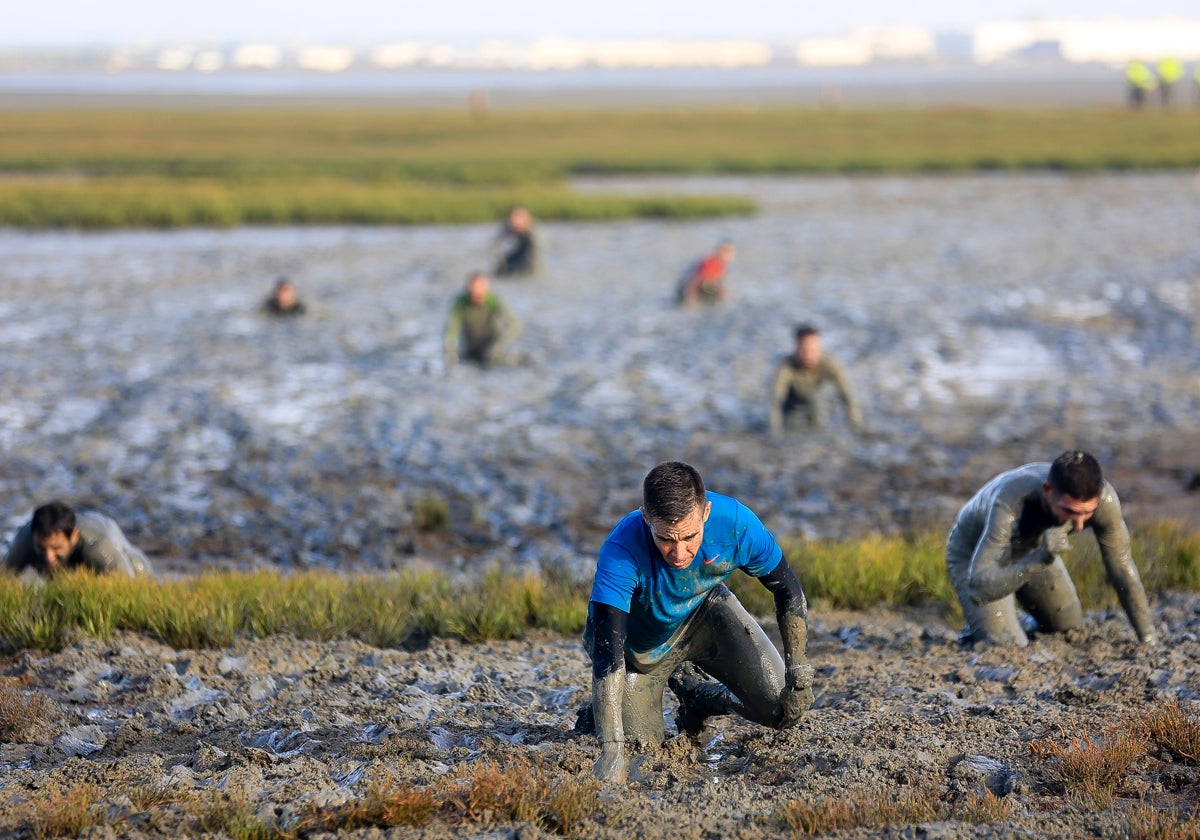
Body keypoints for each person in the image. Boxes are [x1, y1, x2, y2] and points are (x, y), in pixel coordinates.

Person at [585, 461, 814, 784]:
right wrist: (611, 751)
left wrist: (799, 675)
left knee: (782, 710)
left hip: (704, 614)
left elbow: (788, 591)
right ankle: (595, 716)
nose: (679, 553)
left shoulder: (736, 523)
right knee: (639, 755)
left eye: (690, 537)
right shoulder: (620, 550)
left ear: (705, 513)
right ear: (646, 517)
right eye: (665, 539)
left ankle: (701, 697)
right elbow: (609, 658)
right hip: (639, 652)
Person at [946, 451, 1156, 649]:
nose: (1080, 525)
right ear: (1048, 491)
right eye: (1070, 511)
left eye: (1087, 513)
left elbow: (1123, 570)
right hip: (975, 555)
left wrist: (1148, 640)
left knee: (1068, 629)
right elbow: (979, 587)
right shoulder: (1011, 502)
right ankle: (984, 626)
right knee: (1009, 648)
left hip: (1031, 548)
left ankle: (1013, 622)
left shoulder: (1106, 502)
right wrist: (1039, 559)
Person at [3, 500, 153, 578]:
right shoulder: (25, 538)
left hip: (130, 564)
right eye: (41, 548)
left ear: (74, 536)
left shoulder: (97, 544)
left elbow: (126, 581)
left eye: (56, 548)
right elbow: (4, 578)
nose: (48, 557)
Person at [768, 324, 861, 436]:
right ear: (795, 348)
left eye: (813, 349)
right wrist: (774, 433)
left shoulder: (829, 362)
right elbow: (775, 402)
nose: (809, 354)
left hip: (817, 399)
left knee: (819, 406)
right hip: (791, 402)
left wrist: (855, 425)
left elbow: (847, 395)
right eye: (804, 350)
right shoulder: (786, 368)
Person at [444, 271, 518, 368]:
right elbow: (452, 327)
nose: (477, 294)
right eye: (473, 289)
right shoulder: (461, 302)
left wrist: (498, 345)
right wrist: (451, 350)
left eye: (480, 289)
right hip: (470, 349)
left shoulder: (493, 301)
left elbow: (513, 325)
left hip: (491, 349)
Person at [676, 241, 734, 306]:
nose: (730, 255)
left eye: (731, 251)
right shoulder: (711, 263)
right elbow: (694, 281)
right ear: (719, 251)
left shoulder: (721, 264)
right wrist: (689, 301)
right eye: (726, 251)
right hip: (690, 289)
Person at [494, 206, 538, 277]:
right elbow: (496, 246)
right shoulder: (506, 227)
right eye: (513, 218)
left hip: (528, 261)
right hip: (517, 253)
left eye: (519, 218)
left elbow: (533, 259)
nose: (515, 221)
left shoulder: (534, 233)